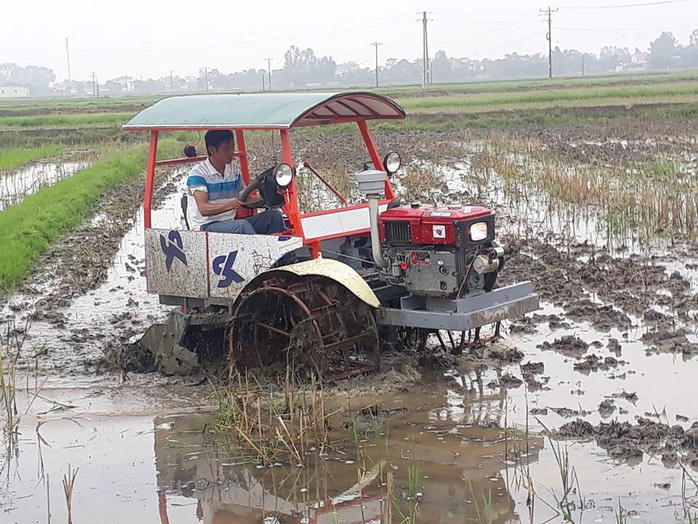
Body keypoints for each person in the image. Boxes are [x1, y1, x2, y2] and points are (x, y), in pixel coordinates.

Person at [186, 130, 285, 234]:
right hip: (205, 227)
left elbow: (244, 197)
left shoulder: (233, 170)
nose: (232, 152)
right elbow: (204, 209)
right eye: (227, 148)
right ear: (212, 150)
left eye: (233, 147)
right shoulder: (198, 174)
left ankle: (280, 248)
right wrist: (230, 205)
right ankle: (258, 250)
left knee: (274, 216)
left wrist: (268, 198)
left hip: (230, 223)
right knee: (241, 226)